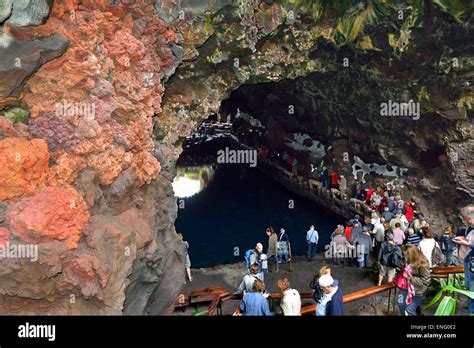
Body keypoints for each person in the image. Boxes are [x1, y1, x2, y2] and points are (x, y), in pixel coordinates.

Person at [396, 244, 431, 316]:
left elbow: (426, 282)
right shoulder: (408, 260)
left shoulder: (423, 264)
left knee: (409, 309)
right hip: (406, 287)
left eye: (406, 255)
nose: (405, 257)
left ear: (412, 255)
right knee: (400, 302)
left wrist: (409, 277)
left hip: (417, 292)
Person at [454, 206, 474, 315]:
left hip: (473, 260)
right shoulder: (469, 227)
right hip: (468, 260)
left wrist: (468, 244)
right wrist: (463, 239)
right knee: (468, 285)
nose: (465, 221)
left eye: (466, 219)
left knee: (472, 288)